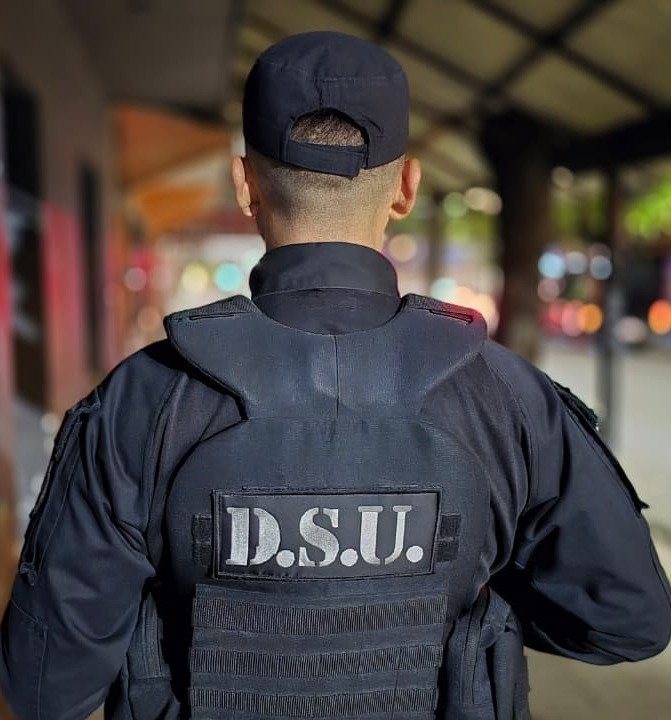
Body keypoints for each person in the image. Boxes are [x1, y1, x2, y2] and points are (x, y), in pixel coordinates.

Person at [1, 30, 670, 720]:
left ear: (243, 184)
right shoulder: (509, 397)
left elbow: (45, 687)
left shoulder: (141, 399)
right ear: (406, 187)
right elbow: (627, 619)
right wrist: (468, 590)